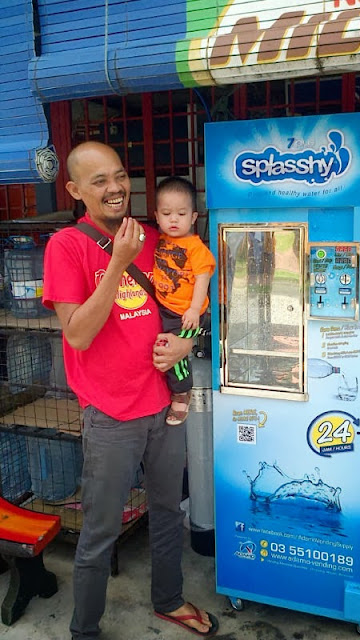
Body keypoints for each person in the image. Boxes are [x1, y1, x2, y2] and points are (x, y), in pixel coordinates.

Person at [42, 141, 218, 639]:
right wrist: (118, 261)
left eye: (119, 175)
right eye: (99, 181)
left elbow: (184, 303)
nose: (115, 187)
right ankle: (85, 631)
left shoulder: (152, 235)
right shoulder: (67, 247)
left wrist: (188, 345)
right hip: (111, 415)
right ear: (75, 190)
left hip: (165, 406)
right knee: (100, 532)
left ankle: (168, 599)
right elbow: (76, 333)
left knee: (167, 512)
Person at [153, 177, 216, 426]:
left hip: (185, 313)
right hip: (165, 307)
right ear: (157, 216)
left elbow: (203, 278)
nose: (174, 219)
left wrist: (193, 309)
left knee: (174, 351)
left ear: (193, 217)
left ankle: (182, 392)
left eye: (181, 213)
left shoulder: (195, 247)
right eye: (167, 213)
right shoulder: (160, 242)